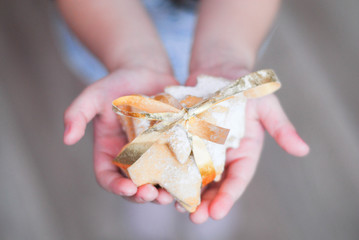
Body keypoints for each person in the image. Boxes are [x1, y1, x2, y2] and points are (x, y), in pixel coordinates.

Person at [58, 0, 309, 224]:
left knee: (209, 193)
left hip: (232, 28)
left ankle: (199, 187)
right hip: (107, 36)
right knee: (119, 124)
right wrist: (131, 59)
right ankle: (154, 189)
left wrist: (225, 56)